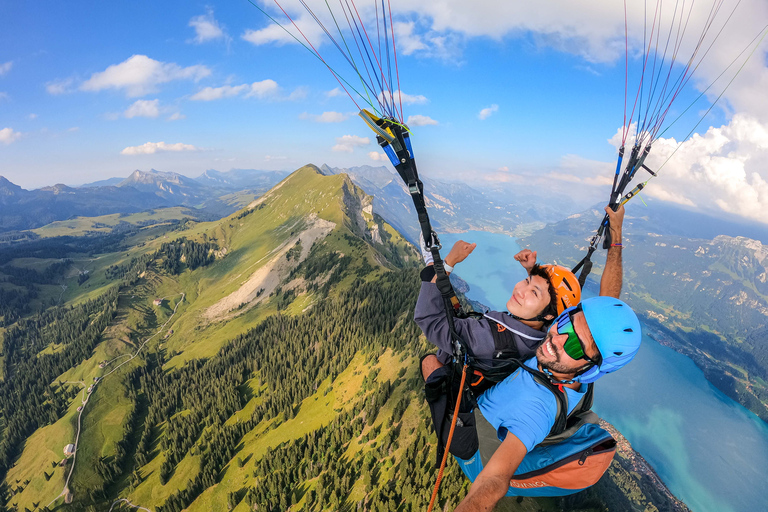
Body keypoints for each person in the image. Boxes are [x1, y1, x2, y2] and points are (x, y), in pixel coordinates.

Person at [415, 206, 625, 458]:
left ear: (549, 315)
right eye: (526, 282)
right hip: (494, 376)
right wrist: (616, 235)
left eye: (533, 291)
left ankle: (447, 420)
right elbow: (607, 307)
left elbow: (428, 318)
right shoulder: (552, 338)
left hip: (469, 433)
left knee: (431, 361)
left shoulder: (485, 337)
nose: (520, 289)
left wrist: (445, 263)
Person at [453, 296, 642, 511]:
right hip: (484, 412)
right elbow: (605, 309)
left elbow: (495, 480)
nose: (557, 340)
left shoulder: (539, 409)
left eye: (575, 346)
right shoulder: (565, 370)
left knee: (431, 365)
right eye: (566, 324)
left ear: (590, 369)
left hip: (475, 447)